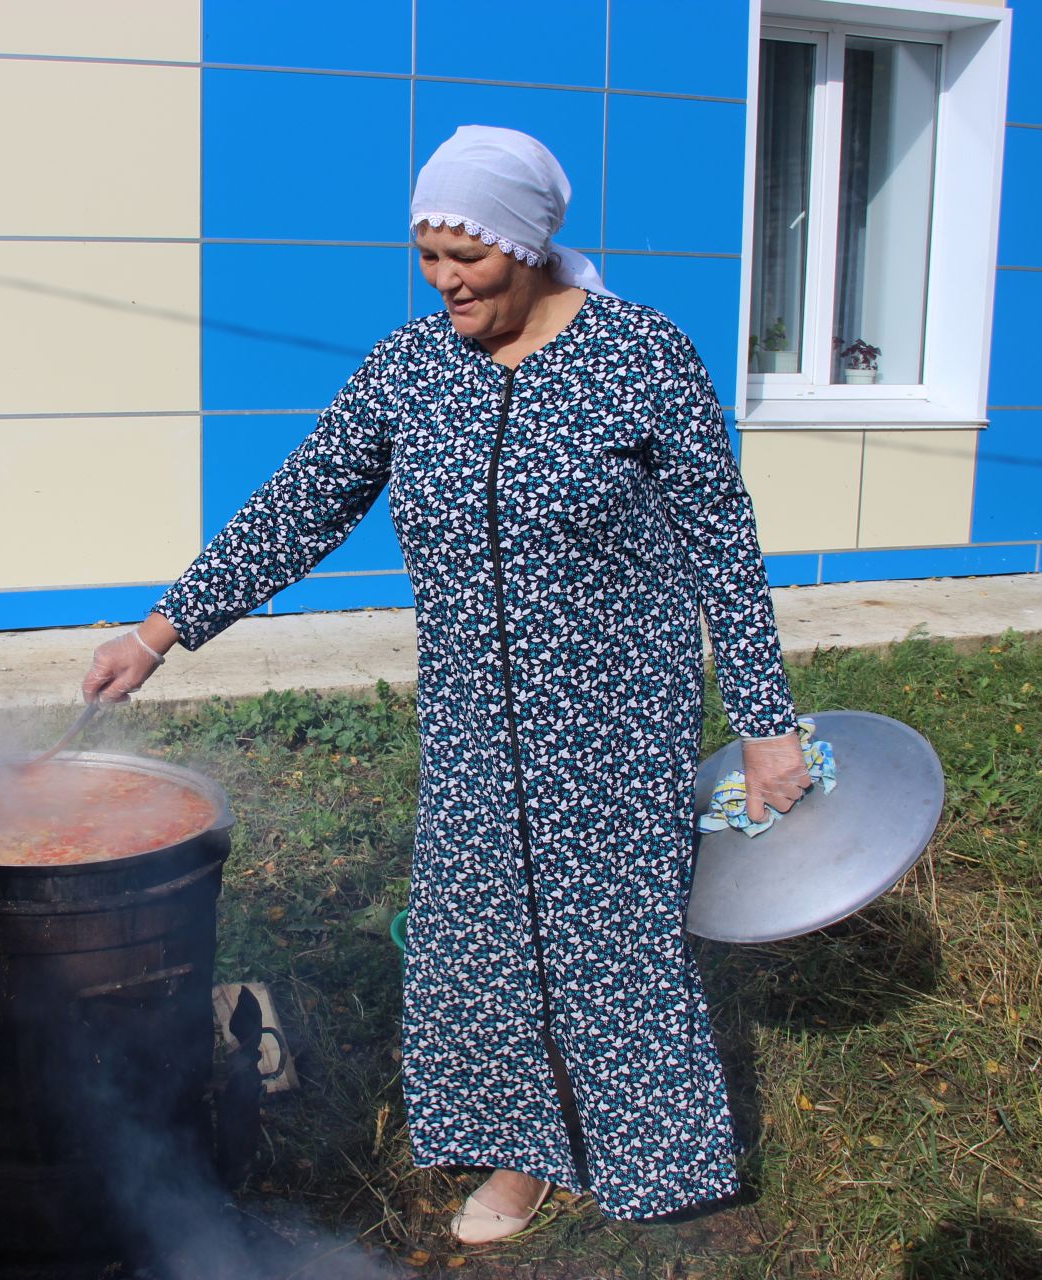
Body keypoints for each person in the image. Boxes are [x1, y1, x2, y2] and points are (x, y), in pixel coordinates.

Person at [83, 126, 810, 1243]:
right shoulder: (411, 370)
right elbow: (305, 498)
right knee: (483, 942)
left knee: (615, 942)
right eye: (426, 256)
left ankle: (649, 1157)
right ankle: (521, 1161)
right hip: (475, 720)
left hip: (619, 718)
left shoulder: (642, 357)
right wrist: (165, 626)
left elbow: (724, 543)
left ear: (525, 242)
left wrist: (766, 724)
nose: (443, 281)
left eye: (463, 258)